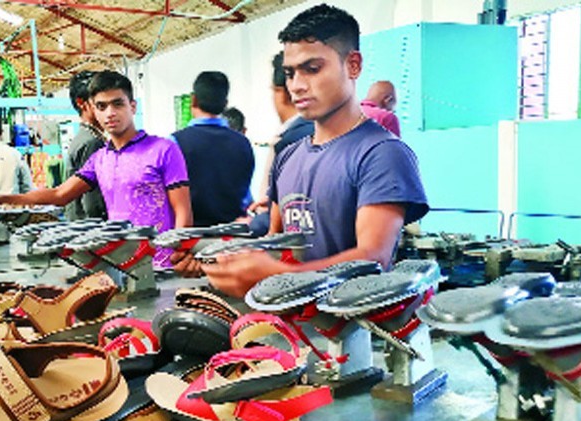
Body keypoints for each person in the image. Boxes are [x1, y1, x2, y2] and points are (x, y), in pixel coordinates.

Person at [201, 4, 429, 297]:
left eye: (311, 69)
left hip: (358, 333)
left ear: (353, 65)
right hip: (295, 327)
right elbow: (278, 241)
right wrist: (227, 262)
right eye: (290, 74)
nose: (296, 86)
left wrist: (279, 275)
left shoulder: (382, 153)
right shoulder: (288, 156)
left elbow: (372, 258)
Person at [0, 70, 192, 268]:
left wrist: (179, 252)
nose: (110, 113)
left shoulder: (163, 149)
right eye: (101, 106)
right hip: (120, 265)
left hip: (162, 263)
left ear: (132, 106)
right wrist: (3, 199)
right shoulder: (99, 159)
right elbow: (60, 195)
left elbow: (183, 209)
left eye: (118, 104)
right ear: (92, 109)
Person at [248, 51, 317, 236]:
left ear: (281, 92)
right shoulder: (320, 132)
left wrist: (256, 223)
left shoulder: (290, 142)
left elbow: (287, 221)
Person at [173, 71, 254, 227]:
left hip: (190, 239)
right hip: (233, 239)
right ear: (225, 104)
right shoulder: (243, 143)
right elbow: (245, 197)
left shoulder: (175, 143)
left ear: (193, 100)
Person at [64, 70, 107, 221]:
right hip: (92, 230)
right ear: (81, 103)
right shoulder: (92, 142)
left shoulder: (84, 138)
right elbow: (93, 203)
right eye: (99, 102)